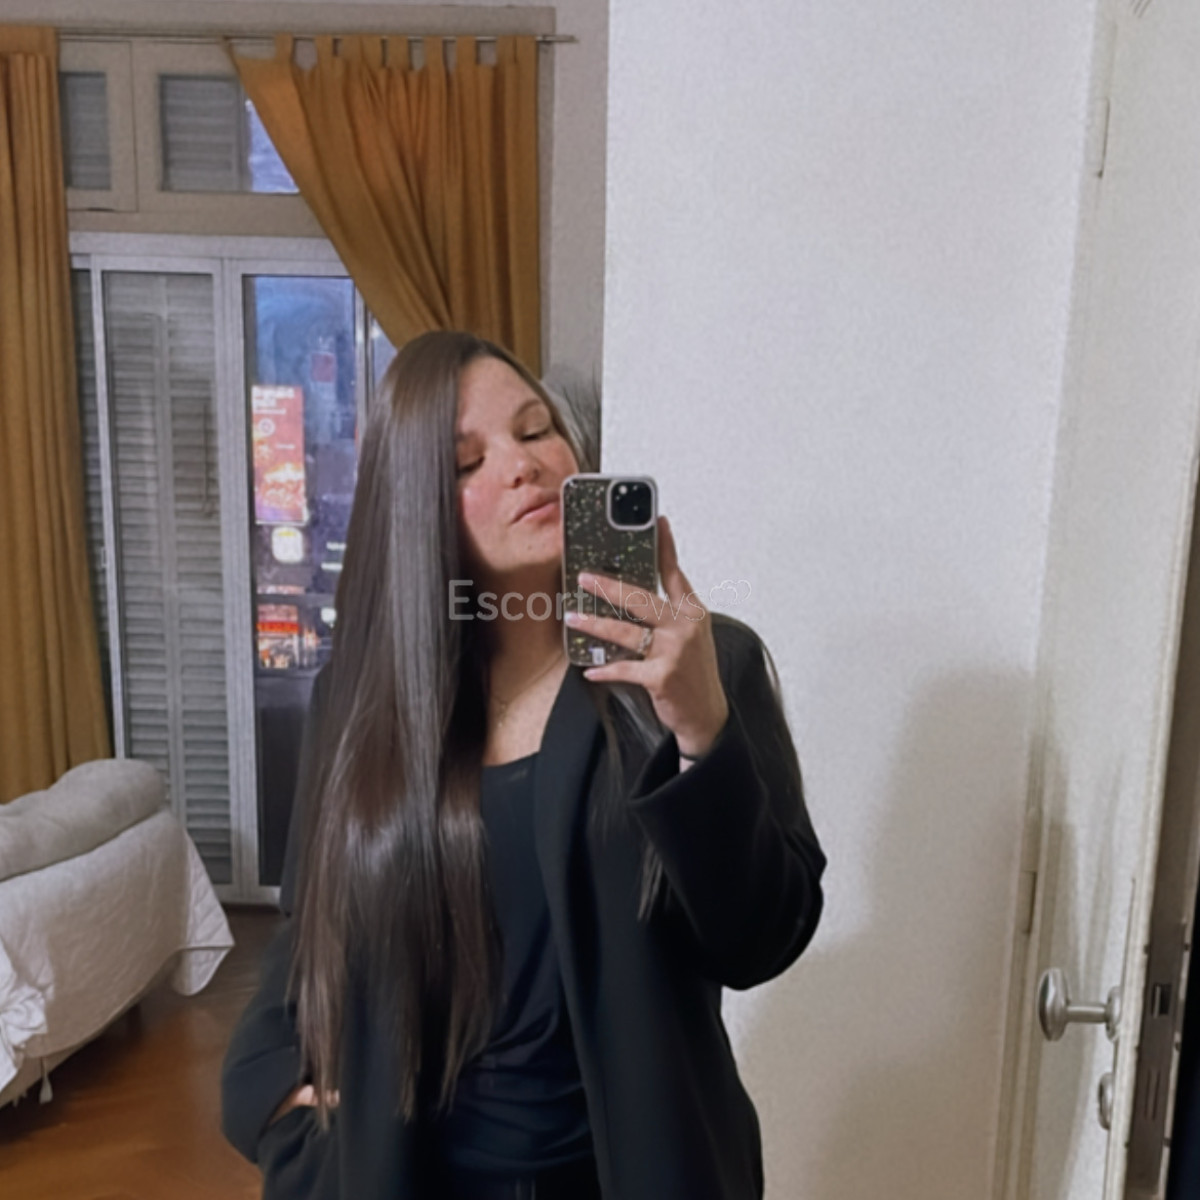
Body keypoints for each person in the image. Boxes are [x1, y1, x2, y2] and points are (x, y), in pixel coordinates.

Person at [220, 330, 827, 1200]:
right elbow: (309, 929)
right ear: (415, 509)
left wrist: (702, 733)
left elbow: (762, 938)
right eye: (467, 462)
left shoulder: (701, 667)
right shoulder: (359, 708)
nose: (523, 466)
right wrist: (271, 1090)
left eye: (537, 430)